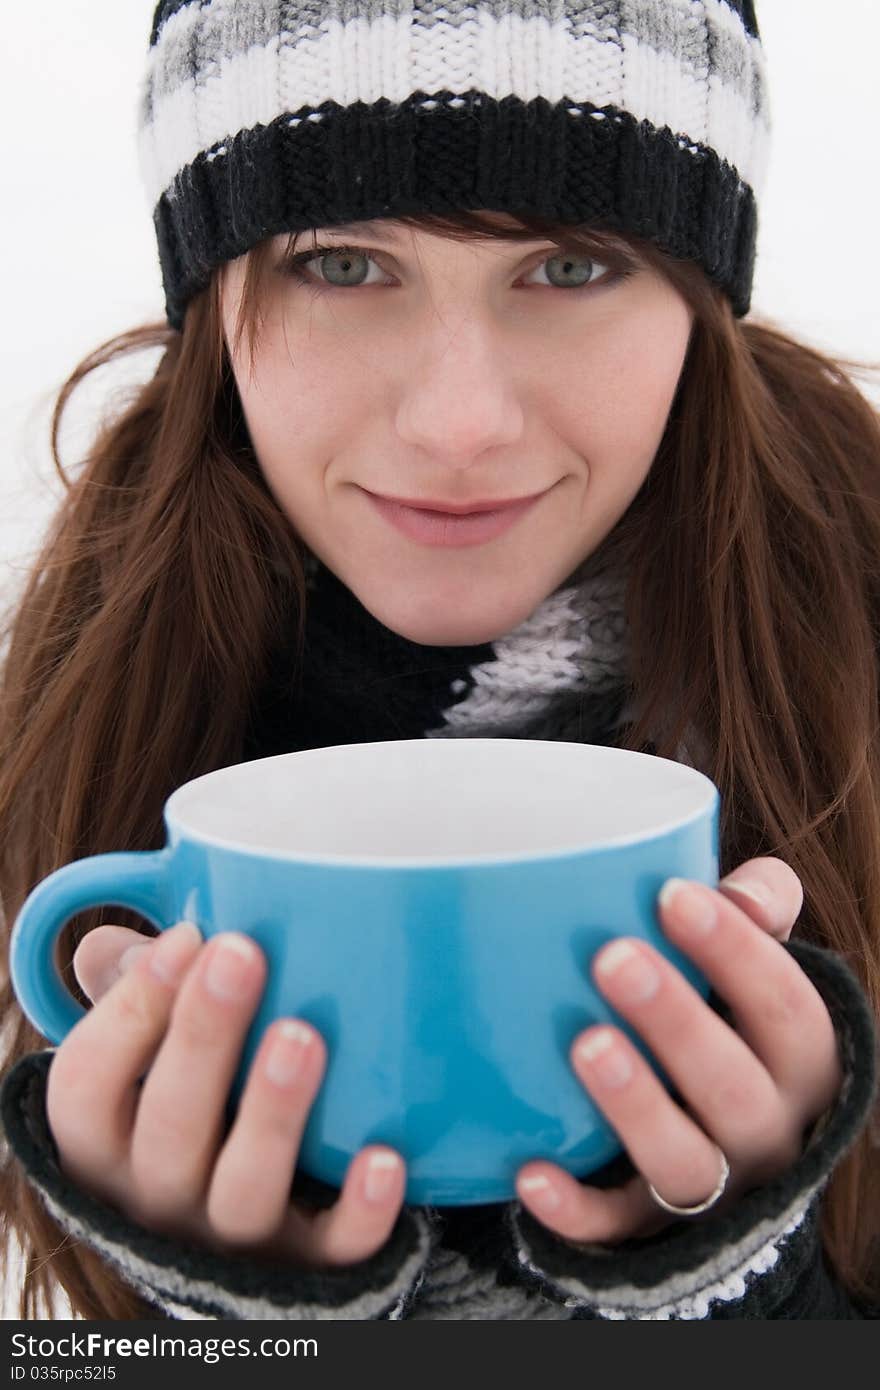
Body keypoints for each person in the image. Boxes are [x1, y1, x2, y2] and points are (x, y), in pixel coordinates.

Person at [0, 0, 878, 1322]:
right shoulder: (97, 688)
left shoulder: (854, 654)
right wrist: (212, 1324)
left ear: (700, 302)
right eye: (344, 265)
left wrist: (755, 1285)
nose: (460, 423)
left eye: (572, 266)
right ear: (213, 304)